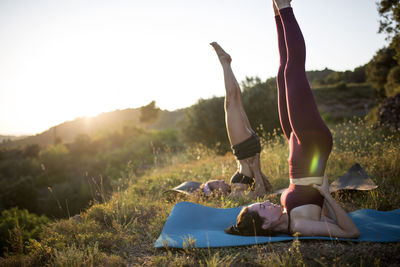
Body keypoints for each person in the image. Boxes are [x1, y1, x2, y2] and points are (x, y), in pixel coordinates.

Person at [224, 0, 360, 238]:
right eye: (264, 208)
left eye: (262, 204)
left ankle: (277, 13)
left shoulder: (286, 215)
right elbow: (351, 233)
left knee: (281, 73)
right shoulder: (299, 226)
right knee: (293, 70)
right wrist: (328, 196)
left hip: (297, 148)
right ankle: (285, 7)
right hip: (311, 144)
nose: (267, 203)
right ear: (266, 225)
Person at [210, 41, 273, 198]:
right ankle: (225, 63)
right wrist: (257, 172)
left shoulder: (236, 189)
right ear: (217, 194)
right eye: (215, 186)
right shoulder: (237, 195)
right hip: (245, 150)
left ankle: (227, 64)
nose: (220, 182)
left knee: (235, 100)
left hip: (248, 149)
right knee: (231, 102)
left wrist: (257, 172)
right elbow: (262, 194)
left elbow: (264, 188)